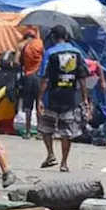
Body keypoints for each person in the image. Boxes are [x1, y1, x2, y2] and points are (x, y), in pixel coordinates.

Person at [37, 25, 89, 172]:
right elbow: (83, 77)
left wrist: (40, 98)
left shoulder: (50, 53)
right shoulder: (77, 53)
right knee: (66, 132)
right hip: (69, 98)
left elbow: (45, 78)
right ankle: (64, 163)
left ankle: (51, 154)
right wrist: (85, 98)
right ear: (66, 36)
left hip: (51, 97)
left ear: (53, 37)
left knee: (46, 127)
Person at [15, 27, 45, 137]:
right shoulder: (40, 44)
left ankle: (27, 131)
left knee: (28, 106)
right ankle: (40, 131)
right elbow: (45, 58)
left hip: (27, 77)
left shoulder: (22, 45)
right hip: (38, 77)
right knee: (39, 103)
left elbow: (16, 62)